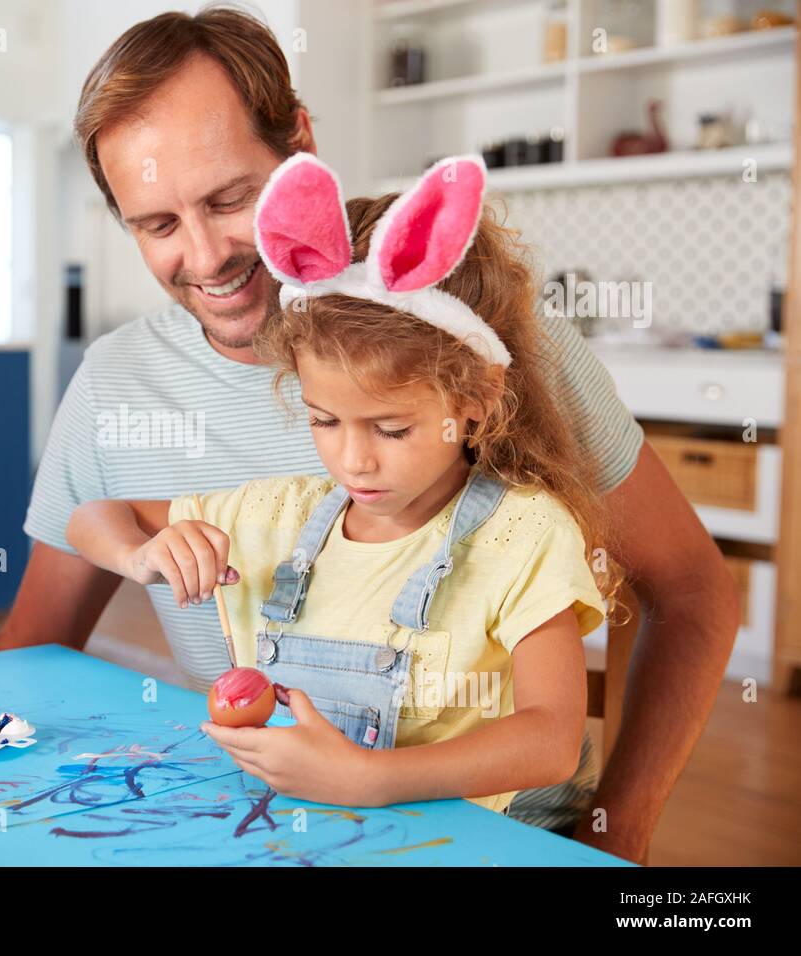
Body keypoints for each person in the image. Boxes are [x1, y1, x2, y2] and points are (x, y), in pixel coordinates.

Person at [0, 7, 738, 862]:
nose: (202, 259)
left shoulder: (473, 339)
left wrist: (619, 834)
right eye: (157, 225)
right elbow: (30, 657)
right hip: (278, 832)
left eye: (229, 199)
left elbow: (691, 593)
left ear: (301, 147)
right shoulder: (116, 383)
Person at [67, 152, 609, 813]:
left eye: (390, 429)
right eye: (325, 420)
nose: (354, 461)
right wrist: (141, 553)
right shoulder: (285, 516)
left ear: (476, 397)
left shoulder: (522, 533)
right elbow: (96, 515)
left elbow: (550, 740)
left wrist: (371, 779)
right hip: (289, 828)